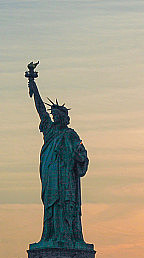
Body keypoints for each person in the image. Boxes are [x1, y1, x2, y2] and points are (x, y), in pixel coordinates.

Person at [27, 65, 89, 246]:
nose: (54, 118)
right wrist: (32, 83)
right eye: (53, 115)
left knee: (67, 206)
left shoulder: (71, 135)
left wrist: (80, 157)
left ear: (64, 117)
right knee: (52, 206)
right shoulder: (49, 130)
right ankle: (51, 236)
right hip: (51, 176)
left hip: (67, 179)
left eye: (57, 115)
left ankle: (68, 238)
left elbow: (82, 155)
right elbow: (40, 109)